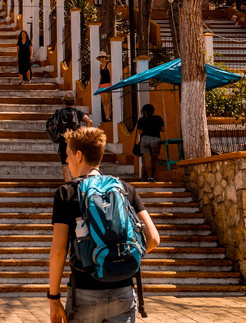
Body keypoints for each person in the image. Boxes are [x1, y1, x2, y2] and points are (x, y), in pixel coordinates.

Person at [48, 127, 160, 323]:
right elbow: (153, 239)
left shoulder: (66, 193)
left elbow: (58, 251)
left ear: (79, 155)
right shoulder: (125, 189)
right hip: (124, 291)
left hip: (83, 293)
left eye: (68, 155)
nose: (67, 160)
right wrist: (119, 260)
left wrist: (54, 299)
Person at [56, 91, 92, 182]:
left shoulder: (59, 113)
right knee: (78, 165)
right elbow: (89, 121)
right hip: (76, 142)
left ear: (64, 101)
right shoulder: (78, 112)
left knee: (66, 168)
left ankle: (69, 190)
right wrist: (87, 136)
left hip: (64, 142)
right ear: (73, 102)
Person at [135, 104, 166, 182]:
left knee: (147, 159)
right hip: (155, 139)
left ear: (144, 112)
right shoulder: (158, 118)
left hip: (145, 139)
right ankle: (152, 176)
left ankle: (148, 177)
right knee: (154, 160)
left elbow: (140, 132)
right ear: (153, 111)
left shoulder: (142, 120)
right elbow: (163, 129)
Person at [97, 54, 112, 123]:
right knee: (103, 102)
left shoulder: (109, 64)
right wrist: (99, 85)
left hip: (107, 84)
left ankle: (109, 117)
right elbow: (100, 77)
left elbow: (111, 75)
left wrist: (111, 85)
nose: (101, 58)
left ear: (106, 57)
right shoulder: (100, 66)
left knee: (107, 101)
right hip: (102, 85)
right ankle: (106, 117)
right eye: (100, 57)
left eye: (102, 57)